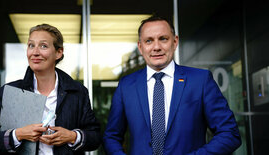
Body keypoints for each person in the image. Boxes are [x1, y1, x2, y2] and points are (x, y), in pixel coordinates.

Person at [103, 15, 241, 155]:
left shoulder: (200, 80)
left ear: (175, 42)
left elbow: (229, 133)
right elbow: (111, 136)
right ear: (140, 47)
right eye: (149, 41)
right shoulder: (126, 86)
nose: (156, 47)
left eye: (163, 39)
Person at [0, 24, 101, 155]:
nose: (35, 52)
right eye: (31, 45)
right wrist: (18, 134)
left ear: (59, 52)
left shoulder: (77, 92)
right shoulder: (9, 92)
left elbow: (95, 137)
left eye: (43, 46)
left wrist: (72, 136)